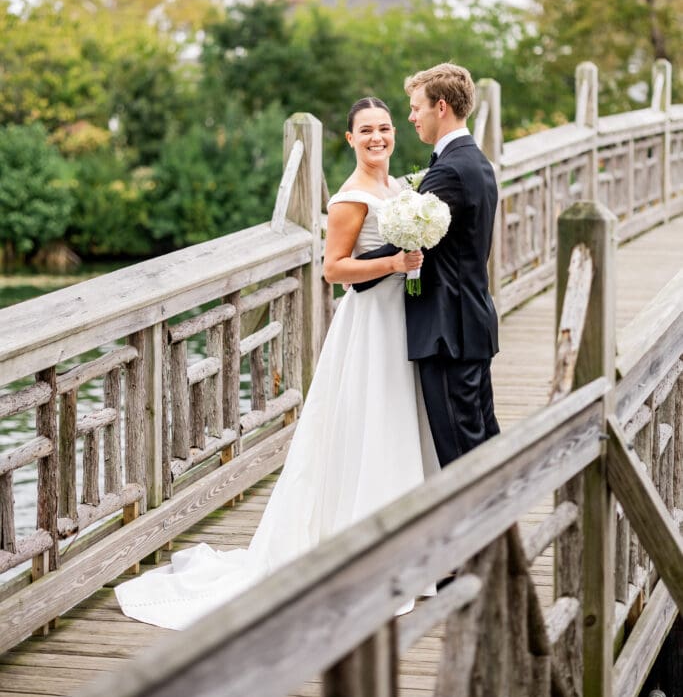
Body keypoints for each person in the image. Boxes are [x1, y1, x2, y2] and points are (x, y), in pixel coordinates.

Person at [115, 97, 437, 629]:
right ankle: (361, 553)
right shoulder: (351, 197)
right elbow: (333, 270)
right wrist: (396, 262)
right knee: (369, 426)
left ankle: (401, 548)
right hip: (368, 326)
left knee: (397, 427)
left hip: (401, 319)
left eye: (385, 128)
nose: (378, 137)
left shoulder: (401, 190)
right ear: (350, 139)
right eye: (366, 131)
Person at [404, 62, 500, 466]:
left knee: (461, 456)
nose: (411, 117)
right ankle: (502, 525)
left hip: (448, 333)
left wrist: (349, 263)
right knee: (484, 442)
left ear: (440, 107)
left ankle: (481, 529)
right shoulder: (475, 161)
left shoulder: (449, 172)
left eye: (416, 107)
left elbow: (411, 243)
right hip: (471, 323)